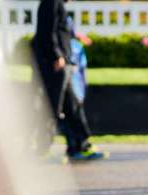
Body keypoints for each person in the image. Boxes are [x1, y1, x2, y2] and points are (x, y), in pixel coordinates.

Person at [32, 0, 103, 162]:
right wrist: (56, 55)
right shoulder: (50, 3)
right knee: (52, 106)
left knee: (72, 105)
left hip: (65, 63)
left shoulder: (58, 4)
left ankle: (80, 145)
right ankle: (42, 150)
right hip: (54, 64)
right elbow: (46, 32)